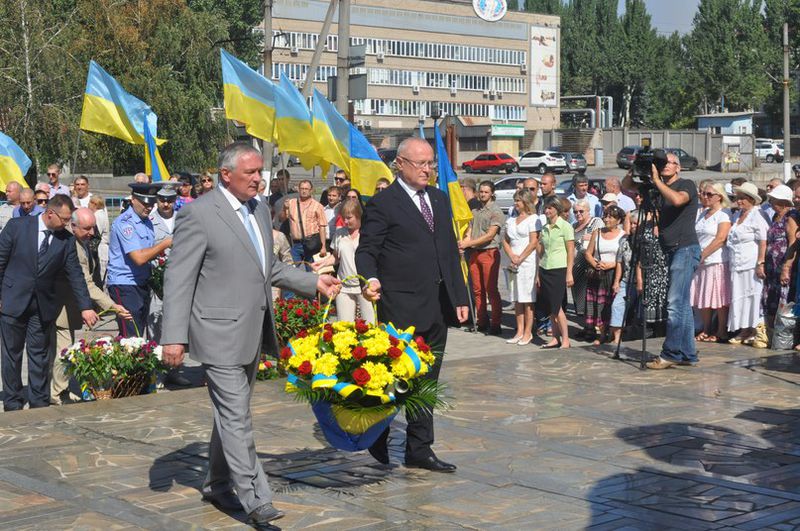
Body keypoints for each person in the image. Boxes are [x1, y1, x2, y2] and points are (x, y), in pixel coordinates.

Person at [160, 142, 340, 525]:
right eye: (251, 173)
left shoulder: (258, 210)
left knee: (230, 415)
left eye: (261, 172)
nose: (259, 179)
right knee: (237, 417)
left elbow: (268, 268)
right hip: (217, 335)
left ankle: (217, 483)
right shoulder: (198, 214)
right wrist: (173, 337)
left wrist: (313, 282)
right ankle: (257, 499)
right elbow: (178, 278)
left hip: (253, 332)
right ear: (226, 175)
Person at [356, 137, 468, 473]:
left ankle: (420, 448)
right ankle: (378, 434)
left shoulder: (438, 198)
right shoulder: (383, 203)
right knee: (396, 378)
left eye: (431, 163)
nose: (428, 169)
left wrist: (460, 297)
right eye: (420, 163)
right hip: (400, 307)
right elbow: (367, 251)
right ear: (400, 164)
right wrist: (370, 279)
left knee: (428, 381)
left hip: (437, 306)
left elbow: (449, 252)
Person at [0, 195, 99, 411]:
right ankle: (13, 402)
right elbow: (0, 260)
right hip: (13, 301)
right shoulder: (17, 227)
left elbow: (76, 275)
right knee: (11, 356)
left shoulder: (66, 240)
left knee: (39, 355)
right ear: (50, 213)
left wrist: (85, 306)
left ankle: (39, 402)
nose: (66, 224)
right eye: (64, 219)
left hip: (42, 306)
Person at [623, 153, 700, 369]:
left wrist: (657, 180)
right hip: (670, 250)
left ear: (678, 168)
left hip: (685, 248)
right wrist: (638, 167)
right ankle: (688, 353)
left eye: (670, 163)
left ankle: (671, 353)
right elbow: (626, 186)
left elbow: (677, 200)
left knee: (674, 304)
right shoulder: (657, 186)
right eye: (663, 163)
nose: (666, 166)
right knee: (682, 305)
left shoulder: (686, 184)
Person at [50, 208, 131, 405]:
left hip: (69, 305)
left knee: (63, 350)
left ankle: (61, 389)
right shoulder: (73, 245)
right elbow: (86, 283)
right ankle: (57, 394)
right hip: (60, 306)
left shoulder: (82, 241)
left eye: (93, 227)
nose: (92, 233)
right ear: (73, 225)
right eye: (86, 228)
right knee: (64, 351)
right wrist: (112, 306)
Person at [107, 183, 173, 337]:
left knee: (138, 334)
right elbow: (139, 258)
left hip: (141, 283)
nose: (148, 208)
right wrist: (165, 243)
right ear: (133, 200)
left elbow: (148, 251)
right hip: (125, 284)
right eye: (145, 203)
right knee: (130, 336)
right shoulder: (125, 223)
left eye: (151, 204)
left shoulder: (146, 221)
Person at [314, 199, 375, 323]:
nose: (345, 222)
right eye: (343, 218)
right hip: (344, 285)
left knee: (370, 325)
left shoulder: (368, 234)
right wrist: (323, 263)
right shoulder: (339, 233)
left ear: (358, 216)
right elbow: (336, 257)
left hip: (364, 287)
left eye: (349, 218)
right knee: (343, 326)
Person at [459, 180, 504, 336]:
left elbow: (490, 235)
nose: (483, 194)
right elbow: (470, 228)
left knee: (491, 290)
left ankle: (496, 323)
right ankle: (482, 321)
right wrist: (465, 240)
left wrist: (468, 243)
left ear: (492, 193)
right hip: (475, 252)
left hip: (489, 252)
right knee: (477, 290)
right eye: (481, 191)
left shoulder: (496, 211)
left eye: (486, 192)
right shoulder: (475, 210)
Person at [726, 182, 769, 345]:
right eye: (738, 198)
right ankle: (743, 329)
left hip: (751, 262)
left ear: (751, 199)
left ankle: (753, 329)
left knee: (753, 295)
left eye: (743, 198)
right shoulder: (738, 215)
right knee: (739, 295)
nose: (739, 201)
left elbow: (763, 240)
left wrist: (760, 262)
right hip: (737, 262)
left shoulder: (757, 214)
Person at [691, 182, 732, 343]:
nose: (705, 197)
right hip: (700, 261)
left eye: (709, 194)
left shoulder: (724, 214)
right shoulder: (702, 213)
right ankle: (706, 328)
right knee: (703, 296)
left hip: (716, 260)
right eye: (704, 194)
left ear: (719, 197)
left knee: (718, 296)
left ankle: (721, 329)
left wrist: (702, 255)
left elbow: (721, 238)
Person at [502, 190, 541, 345]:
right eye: (515, 200)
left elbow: (533, 242)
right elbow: (505, 240)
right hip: (513, 261)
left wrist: (521, 258)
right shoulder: (511, 220)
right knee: (517, 297)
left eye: (518, 200)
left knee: (527, 299)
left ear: (526, 202)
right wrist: (511, 255)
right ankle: (519, 331)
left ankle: (527, 332)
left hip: (528, 262)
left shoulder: (533, 219)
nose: (516, 203)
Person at [537, 197, 575, 349]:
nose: (547, 211)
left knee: (557, 306)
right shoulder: (545, 227)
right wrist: (537, 242)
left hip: (559, 269)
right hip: (545, 267)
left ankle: (566, 339)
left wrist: (569, 272)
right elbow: (541, 252)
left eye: (550, 208)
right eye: (546, 208)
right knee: (550, 306)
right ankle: (555, 338)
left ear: (557, 209)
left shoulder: (565, 226)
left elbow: (571, 250)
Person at [584, 206, 626, 344]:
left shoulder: (623, 235)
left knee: (611, 304)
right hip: (597, 273)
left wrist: (611, 264)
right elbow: (588, 253)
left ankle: (612, 334)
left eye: (611, 217)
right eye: (605, 216)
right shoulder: (597, 232)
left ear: (618, 220)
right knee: (598, 306)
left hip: (614, 273)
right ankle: (601, 334)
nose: (607, 219)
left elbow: (624, 258)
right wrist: (594, 263)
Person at [762, 184, 798, 329]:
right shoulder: (775, 216)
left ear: (783, 202)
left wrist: (786, 268)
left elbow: (792, 242)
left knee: (783, 297)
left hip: (782, 263)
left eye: (774, 199)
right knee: (770, 297)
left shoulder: (791, 216)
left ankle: (783, 332)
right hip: (772, 265)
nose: (771, 202)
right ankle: (771, 332)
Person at [571, 198, 604, 337]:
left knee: (591, 299)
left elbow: (601, 237)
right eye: (575, 211)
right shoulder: (573, 226)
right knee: (580, 299)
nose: (578, 214)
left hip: (590, 266)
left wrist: (591, 238)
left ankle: (596, 329)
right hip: (576, 266)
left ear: (588, 211)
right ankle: (587, 327)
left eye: (581, 211)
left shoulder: (595, 222)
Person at [286, 180, 327, 268]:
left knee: (311, 270)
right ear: (298, 189)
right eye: (302, 188)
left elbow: (322, 227)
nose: (304, 191)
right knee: (294, 271)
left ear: (311, 190)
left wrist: (323, 246)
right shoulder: (291, 203)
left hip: (311, 244)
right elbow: (282, 218)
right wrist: (284, 208)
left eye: (306, 189)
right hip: (296, 244)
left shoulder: (318, 206)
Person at [88, 195, 110, 281]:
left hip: (100, 251)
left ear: (94, 204)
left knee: (100, 281)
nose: (88, 204)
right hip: (101, 250)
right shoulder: (101, 214)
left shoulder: (98, 216)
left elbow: (96, 234)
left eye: (89, 202)